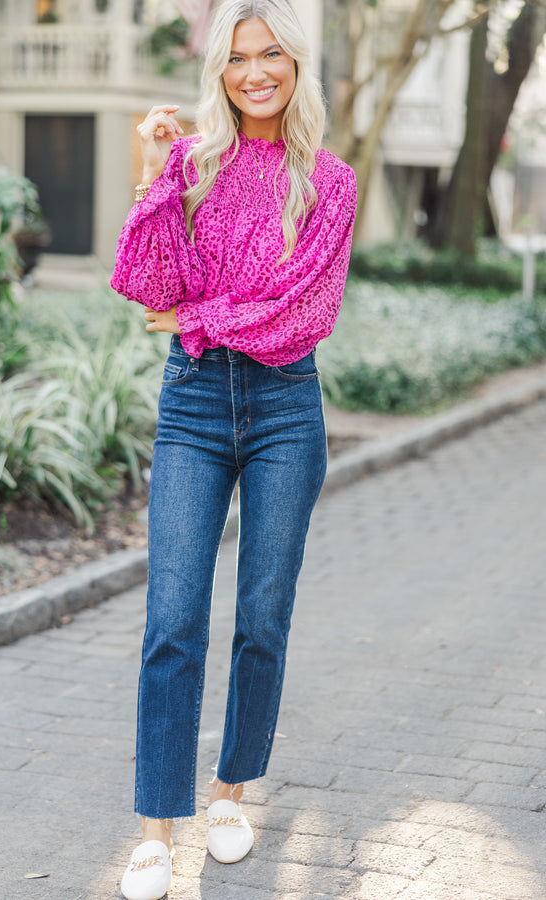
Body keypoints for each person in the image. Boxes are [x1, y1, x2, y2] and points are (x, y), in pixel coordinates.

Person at [111, 1, 356, 897]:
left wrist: (196, 319)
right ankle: (154, 828)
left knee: (261, 617)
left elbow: (301, 313)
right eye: (239, 59)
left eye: (272, 56)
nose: (256, 72)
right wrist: (150, 171)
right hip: (194, 407)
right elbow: (148, 284)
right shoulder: (191, 161)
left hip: (289, 408)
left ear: (295, 65)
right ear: (220, 70)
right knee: (172, 618)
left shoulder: (330, 181)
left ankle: (228, 792)